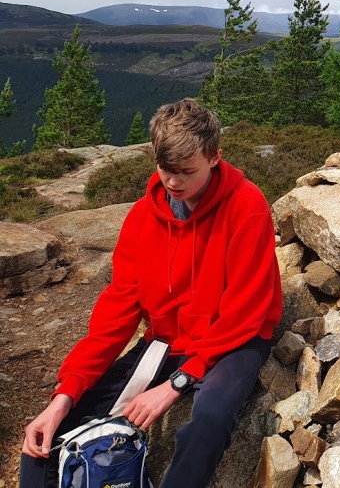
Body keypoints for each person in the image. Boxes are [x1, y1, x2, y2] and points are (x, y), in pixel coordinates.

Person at [21, 98, 283, 486]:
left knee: (207, 423)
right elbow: (117, 311)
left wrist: (176, 384)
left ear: (215, 158)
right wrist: (65, 394)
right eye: (165, 169)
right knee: (53, 436)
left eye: (186, 172)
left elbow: (246, 311)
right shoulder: (144, 218)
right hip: (167, 340)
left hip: (235, 340)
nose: (173, 182)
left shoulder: (247, 207)